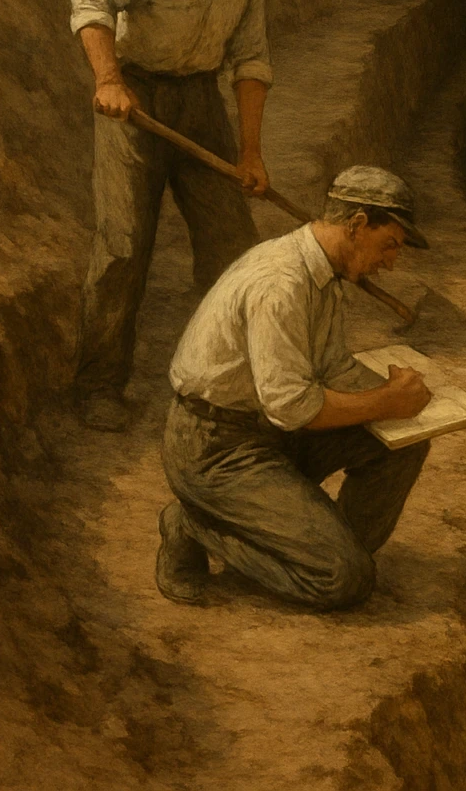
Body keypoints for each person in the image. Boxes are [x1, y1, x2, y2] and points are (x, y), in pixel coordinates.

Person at [69, 0, 295, 432]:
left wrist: (250, 154)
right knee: (122, 245)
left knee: (231, 244)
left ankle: (227, 381)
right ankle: (99, 385)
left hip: (199, 102)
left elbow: (250, 60)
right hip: (135, 100)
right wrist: (108, 80)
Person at [156, 166, 433, 610]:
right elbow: (291, 406)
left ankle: (319, 547)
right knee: (343, 581)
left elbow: (333, 367)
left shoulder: (326, 275)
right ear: (358, 224)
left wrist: (392, 390)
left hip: (272, 436)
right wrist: (385, 401)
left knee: (405, 443)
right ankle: (194, 523)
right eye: (390, 245)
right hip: (216, 451)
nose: (391, 262)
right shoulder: (280, 283)